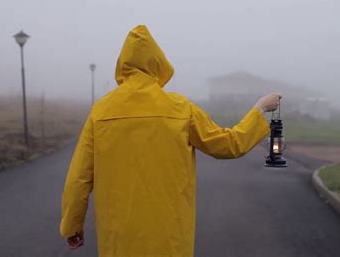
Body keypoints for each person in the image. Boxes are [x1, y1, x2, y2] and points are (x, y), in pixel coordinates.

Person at [60, 25, 282, 256]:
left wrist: (72, 225)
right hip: (170, 238)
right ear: (158, 63)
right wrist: (260, 109)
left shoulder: (101, 111)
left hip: (119, 238)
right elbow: (229, 145)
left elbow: (79, 178)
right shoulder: (181, 109)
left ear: (122, 65)